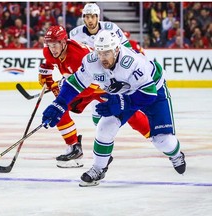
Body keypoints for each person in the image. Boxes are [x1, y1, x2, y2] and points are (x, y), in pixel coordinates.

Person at [41, 30, 186, 187]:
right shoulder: (92, 61)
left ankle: (177, 155)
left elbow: (148, 94)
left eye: (107, 53)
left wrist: (120, 102)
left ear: (116, 50)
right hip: (123, 94)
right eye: (100, 53)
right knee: (104, 128)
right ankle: (98, 168)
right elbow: (76, 82)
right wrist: (60, 104)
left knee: (163, 141)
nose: (103, 58)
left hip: (153, 90)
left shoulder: (132, 62)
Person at [69, 3, 150, 136]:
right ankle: (104, 140)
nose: (90, 20)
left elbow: (127, 49)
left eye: (93, 16)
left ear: (98, 17)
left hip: (114, 77)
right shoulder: (74, 34)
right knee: (97, 114)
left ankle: (153, 135)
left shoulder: (111, 28)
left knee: (129, 111)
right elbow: (71, 56)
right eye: (87, 17)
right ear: (83, 18)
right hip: (93, 79)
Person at [39, 25, 104, 168]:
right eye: (50, 45)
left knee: (131, 115)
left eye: (55, 45)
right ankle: (74, 148)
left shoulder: (78, 55)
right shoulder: (50, 51)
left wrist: (61, 87)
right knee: (58, 109)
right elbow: (49, 61)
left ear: (63, 43)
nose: (52, 49)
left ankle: (160, 139)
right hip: (80, 85)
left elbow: (90, 86)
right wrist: (46, 76)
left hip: (101, 85)